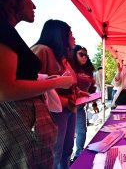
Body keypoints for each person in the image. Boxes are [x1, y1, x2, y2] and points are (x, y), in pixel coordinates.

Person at [0, 0, 73, 168]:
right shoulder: (4, 31)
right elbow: (5, 89)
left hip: (28, 133)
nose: (34, 5)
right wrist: (58, 82)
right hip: (21, 133)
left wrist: (44, 79)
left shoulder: (8, 32)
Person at [32, 19, 86, 169]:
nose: (74, 38)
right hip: (55, 112)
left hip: (70, 109)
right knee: (55, 154)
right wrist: (62, 99)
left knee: (66, 151)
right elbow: (33, 82)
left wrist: (78, 91)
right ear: (60, 35)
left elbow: (68, 83)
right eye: (71, 34)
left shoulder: (63, 58)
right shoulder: (42, 50)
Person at [69, 45, 95, 162]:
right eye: (81, 54)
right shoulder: (69, 67)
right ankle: (65, 160)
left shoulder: (88, 70)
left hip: (80, 107)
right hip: (67, 106)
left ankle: (78, 156)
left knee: (82, 132)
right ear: (74, 54)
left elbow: (91, 89)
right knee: (67, 137)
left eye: (86, 55)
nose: (84, 57)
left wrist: (94, 102)